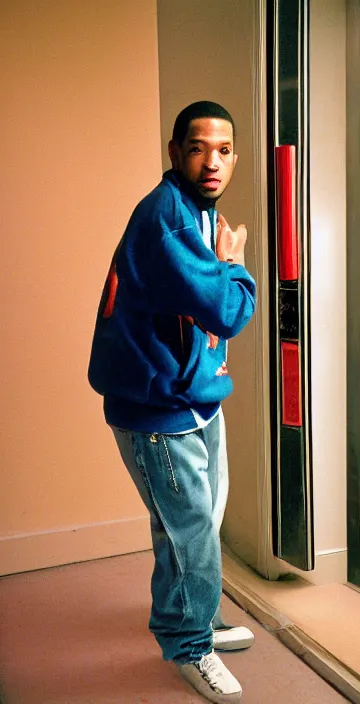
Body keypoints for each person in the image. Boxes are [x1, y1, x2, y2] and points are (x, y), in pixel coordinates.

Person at [88, 101, 256, 703]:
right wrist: (236, 267)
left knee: (198, 524)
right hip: (158, 410)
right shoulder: (172, 222)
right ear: (174, 153)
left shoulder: (196, 210)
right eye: (197, 148)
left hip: (191, 395)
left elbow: (188, 313)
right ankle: (189, 646)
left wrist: (206, 354)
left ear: (234, 156)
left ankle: (191, 617)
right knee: (191, 535)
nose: (212, 161)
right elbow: (230, 308)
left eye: (224, 149)